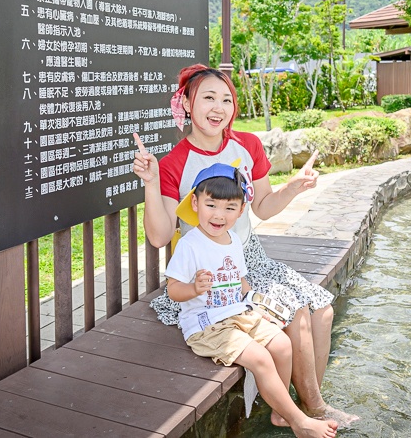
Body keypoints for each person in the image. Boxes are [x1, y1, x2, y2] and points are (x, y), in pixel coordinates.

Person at [132, 64, 356, 426]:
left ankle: (293, 407)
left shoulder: (248, 145)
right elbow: (160, 237)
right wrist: (151, 182)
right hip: (210, 269)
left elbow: (264, 208)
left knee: (324, 311)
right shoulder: (175, 162)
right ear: (187, 103)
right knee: (298, 315)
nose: (218, 107)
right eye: (208, 98)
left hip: (251, 257)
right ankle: (311, 411)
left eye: (226, 99)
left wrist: (294, 186)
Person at [165, 163, 338, 438]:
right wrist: (193, 288)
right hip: (207, 324)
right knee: (260, 358)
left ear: (241, 210)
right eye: (211, 205)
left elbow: (242, 282)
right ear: (195, 203)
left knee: (282, 344)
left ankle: (280, 412)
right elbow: (173, 290)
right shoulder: (190, 244)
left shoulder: (232, 239)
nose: (219, 215)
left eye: (230, 208)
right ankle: (299, 420)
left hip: (239, 314)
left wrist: (258, 305)